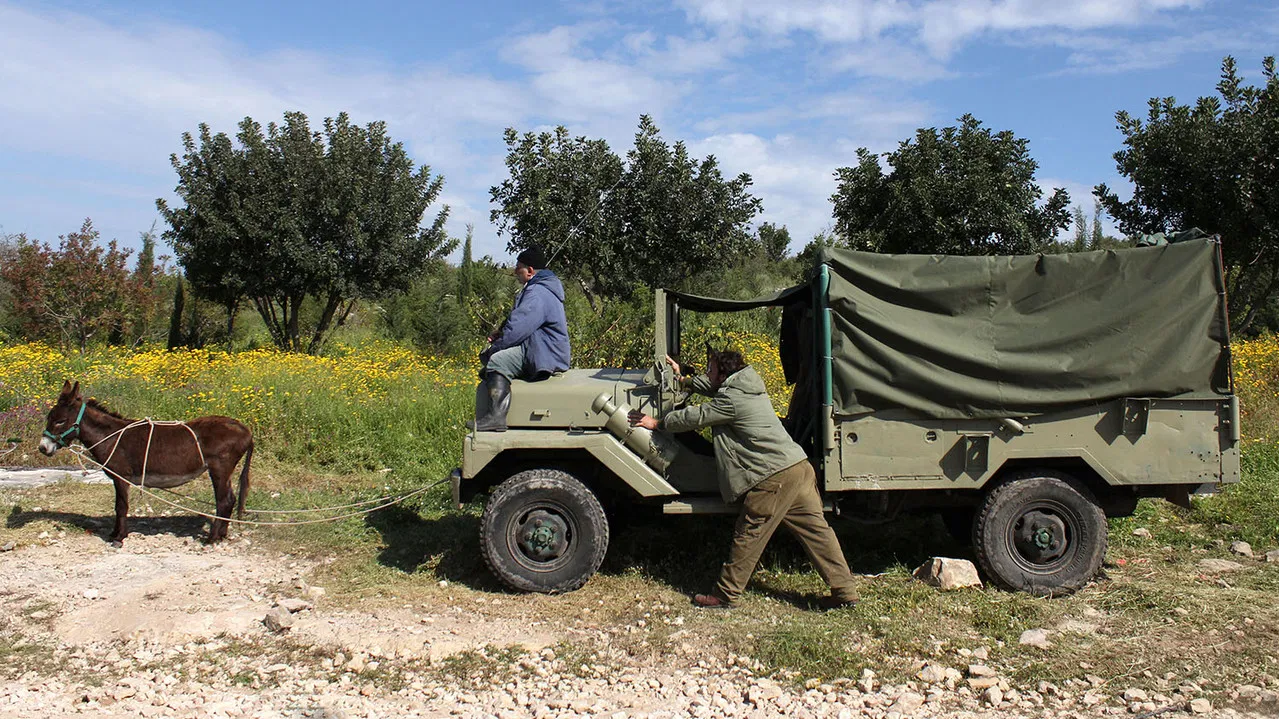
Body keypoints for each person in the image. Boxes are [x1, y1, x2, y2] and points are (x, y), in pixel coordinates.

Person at [629, 348, 859, 610]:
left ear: (723, 374)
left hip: (774, 476)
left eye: (710, 369)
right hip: (797, 467)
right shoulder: (745, 385)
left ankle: (725, 595)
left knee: (749, 533)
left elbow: (698, 416)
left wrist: (657, 423)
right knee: (818, 533)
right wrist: (683, 380)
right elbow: (711, 386)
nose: (707, 373)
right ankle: (845, 592)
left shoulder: (731, 400)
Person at [470, 246, 570, 432]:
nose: (515, 271)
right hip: (544, 348)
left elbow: (517, 329)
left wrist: (494, 349)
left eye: (519, 267)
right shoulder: (542, 289)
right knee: (495, 363)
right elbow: (520, 322)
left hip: (545, 353)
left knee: (497, 361)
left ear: (530, 271)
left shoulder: (537, 293)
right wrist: (500, 332)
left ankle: (496, 418)